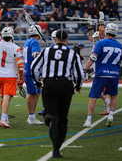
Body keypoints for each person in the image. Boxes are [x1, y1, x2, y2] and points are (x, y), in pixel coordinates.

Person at [31, 29, 84, 158]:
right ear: (67, 40)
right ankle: (56, 149)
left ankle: (49, 119)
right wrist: (78, 85)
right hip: (65, 85)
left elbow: (34, 67)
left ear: (55, 39)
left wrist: (38, 82)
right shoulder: (72, 53)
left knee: (49, 111)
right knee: (63, 119)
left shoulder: (46, 51)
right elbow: (79, 73)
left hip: (49, 84)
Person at [83, 23, 122, 128]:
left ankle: (88, 120)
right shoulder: (120, 45)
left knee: (93, 97)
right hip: (114, 75)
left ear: (106, 31)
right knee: (113, 95)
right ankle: (110, 116)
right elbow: (119, 61)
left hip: (101, 74)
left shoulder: (101, 43)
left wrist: (85, 69)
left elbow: (93, 57)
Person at [0, 6, 25, 128]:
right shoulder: (15, 48)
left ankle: (4, 116)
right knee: (7, 98)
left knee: (3, 97)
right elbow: (20, 65)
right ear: (12, 35)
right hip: (9, 76)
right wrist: (21, 78)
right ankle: (3, 118)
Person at [23, 25, 44, 125]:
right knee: (32, 94)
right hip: (32, 72)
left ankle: (31, 115)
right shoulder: (34, 42)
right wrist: (45, 54)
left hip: (31, 71)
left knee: (37, 93)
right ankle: (31, 117)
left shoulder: (28, 42)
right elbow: (35, 55)